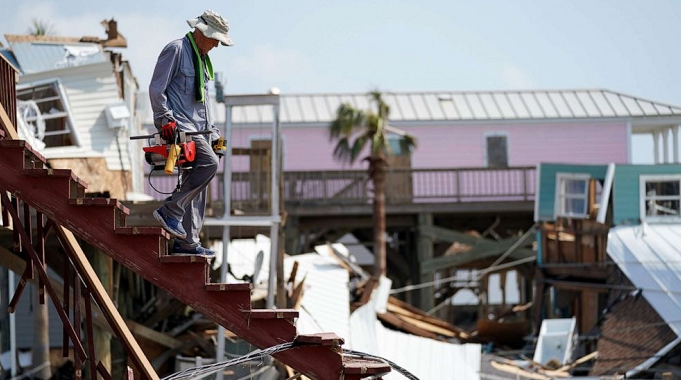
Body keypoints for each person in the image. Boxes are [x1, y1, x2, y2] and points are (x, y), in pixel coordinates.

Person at [149, 10, 233, 256]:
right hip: (181, 127)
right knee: (208, 165)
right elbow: (156, 89)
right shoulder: (175, 50)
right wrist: (165, 119)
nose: (217, 44)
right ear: (202, 32)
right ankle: (170, 211)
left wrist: (217, 137)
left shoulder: (203, 60)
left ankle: (187, 242)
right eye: (215, 39)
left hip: (202, 130)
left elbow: (205, 107)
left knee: (200, 182)